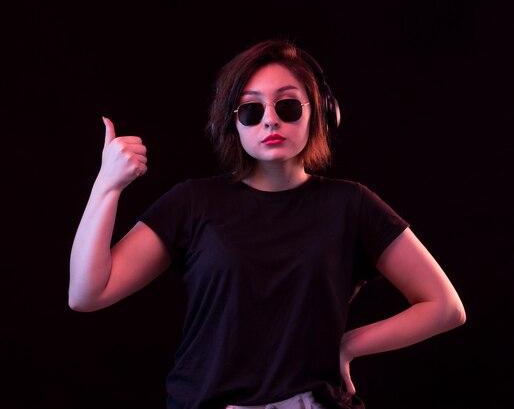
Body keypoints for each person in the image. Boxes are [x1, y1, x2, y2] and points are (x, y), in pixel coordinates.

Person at [68, 38, 466, 409]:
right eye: (251, 109)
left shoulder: (352, 204)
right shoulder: (192, 202)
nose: (270, 121)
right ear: (234, 123)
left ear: (320, 111)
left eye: (288, 106)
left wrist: (348, 344)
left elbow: (445, 307)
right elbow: (87, 293)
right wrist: (107, 185)